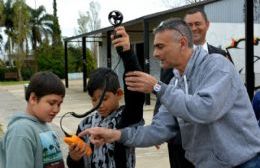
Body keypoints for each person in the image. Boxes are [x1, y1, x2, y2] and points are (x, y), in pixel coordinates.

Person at [80, 18, 260, 168]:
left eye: (160, 46)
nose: (155, 54)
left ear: (182, 43)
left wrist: (157, 87)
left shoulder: (217, 66)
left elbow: (206, 109)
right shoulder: (175, 84)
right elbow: (159, 131)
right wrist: (115, 135)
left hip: (245, 163)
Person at [154, 8, 234, 168]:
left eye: (198, 23)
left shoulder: (221, 56)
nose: (194, 28)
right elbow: (164, 93)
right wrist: (158, 125)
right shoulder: (171, 59)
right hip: (179, 139)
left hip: (212, 138)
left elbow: (231, 92)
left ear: (207, 25)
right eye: (189, 25)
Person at [66, 26, 145, 168]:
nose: (99, 104)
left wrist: (127, 53)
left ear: (119, 94)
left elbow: (136, 94)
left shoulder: (126, 118)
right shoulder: (85, 125)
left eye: (104, 98)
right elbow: (74, 164)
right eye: (94, 99)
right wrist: (74, 157)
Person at [0, 71, 66, 168]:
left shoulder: (44, 125)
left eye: (59, 104)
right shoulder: (21, 132)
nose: (56, 109)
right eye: (52, 103)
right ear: (33, 99)